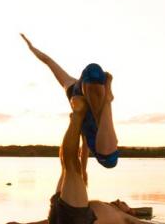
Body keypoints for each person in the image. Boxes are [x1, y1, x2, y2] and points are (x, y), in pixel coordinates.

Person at [4, 95, 165, 224]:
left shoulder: (127, 220)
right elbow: (50, 222)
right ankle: (79, 125)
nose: (119, 200)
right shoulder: (103, 207)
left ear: (131, 212)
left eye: (124, 203)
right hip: (60, 221)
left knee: (70, 165)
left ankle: (77, 115)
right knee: (69, 167)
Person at [20, 33, 118, 168]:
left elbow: (48, 61)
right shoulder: (73, 87)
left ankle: (107, 101)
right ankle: (107, 100)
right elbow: (48, 60)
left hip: (100, 139)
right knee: (109, 160)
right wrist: (31, 47)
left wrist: (31, 47)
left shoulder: (70, 85)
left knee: (108, 159)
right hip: (104, 140)